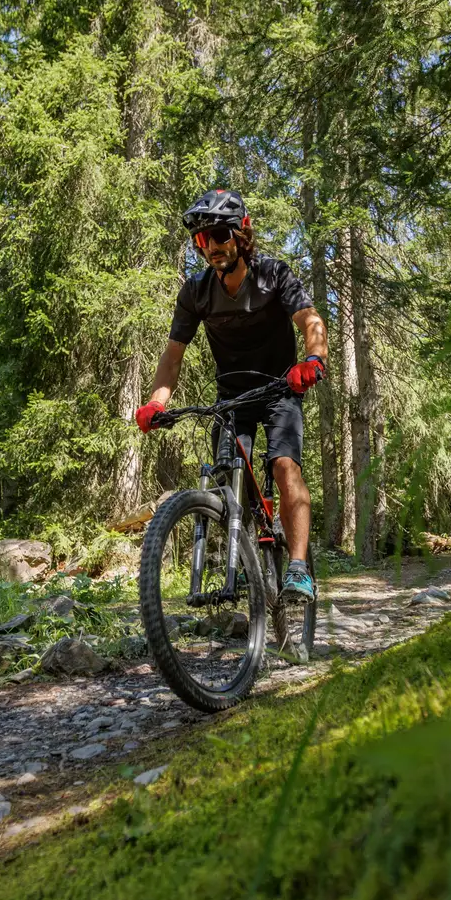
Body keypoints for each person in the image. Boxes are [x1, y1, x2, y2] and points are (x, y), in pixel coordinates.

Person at [135, 188, 327, 602]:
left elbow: (310, 320)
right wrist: (156, 402)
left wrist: (312, 360)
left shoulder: (273, 275)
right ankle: (244, 562)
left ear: (242, 234)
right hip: (233, 398)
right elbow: (172, 357)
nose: (211, 247)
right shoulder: (196, 292)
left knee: (283, 466)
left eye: (219, 234)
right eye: (202, 240)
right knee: (227, 477)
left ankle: (297, 568)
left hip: (281, 388)